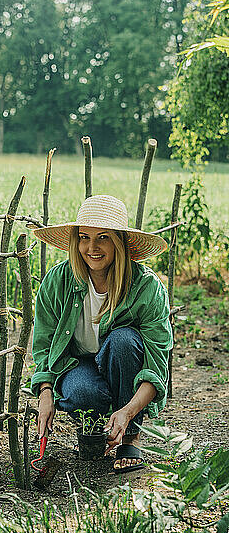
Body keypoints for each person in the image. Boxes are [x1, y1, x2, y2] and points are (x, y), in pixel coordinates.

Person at [30, 195, 173, 473]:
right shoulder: (57, 281)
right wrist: (45, 393)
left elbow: (157, 367)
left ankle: (129, 435)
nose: (92, 248)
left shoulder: (146, 288)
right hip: (79, 363)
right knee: (81, 392)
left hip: (123, 360)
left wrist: (128, 411)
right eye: (84, 237)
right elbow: (44, 345)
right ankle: (97, 430)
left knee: (123, 341)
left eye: (103, 238)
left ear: (120, 242)